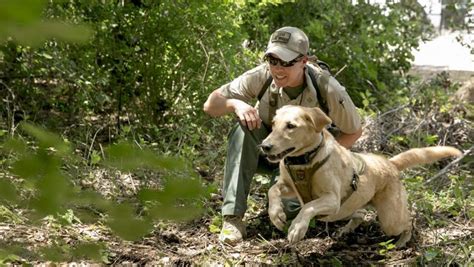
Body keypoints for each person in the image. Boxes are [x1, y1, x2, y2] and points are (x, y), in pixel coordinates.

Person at [203, 26, 362, 244]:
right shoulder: (261, 76)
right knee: (243, 130)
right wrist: (235, 104)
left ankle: (348, 210)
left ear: (304, 61)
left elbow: (354, 131)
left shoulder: (327, 88)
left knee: (287, 218)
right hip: (268, 149)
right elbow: (211, 105)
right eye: (273, 60)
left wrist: (322, 164)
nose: (278, 68)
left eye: (287, 62)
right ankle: (232, 218)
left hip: (308, 163)